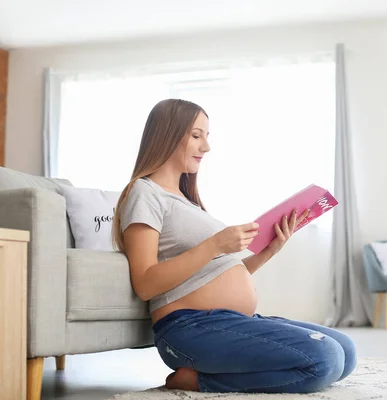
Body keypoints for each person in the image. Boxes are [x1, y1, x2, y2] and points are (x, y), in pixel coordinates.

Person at [112, 99, 356, 393]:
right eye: (196, 135)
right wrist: (215, 244)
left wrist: (269, 251)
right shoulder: (145, 193)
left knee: (346, 351)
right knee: (325, 359)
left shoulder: (187, 202)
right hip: (188, 328)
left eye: (207, 136)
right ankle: (199, 380)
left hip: (233, 322)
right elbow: (145, 283)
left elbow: (215, 272)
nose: (206, 147)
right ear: (167, 134)